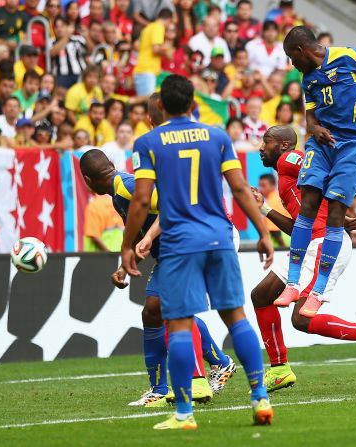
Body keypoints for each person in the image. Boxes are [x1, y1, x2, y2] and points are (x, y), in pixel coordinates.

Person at [120, 75, 274, 429]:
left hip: (178, 243)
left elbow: (142, 199)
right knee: (235, 318)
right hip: (219, 238)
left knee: (178, 325)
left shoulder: (149, 142)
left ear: (159, 107)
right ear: (193, 104)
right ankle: (260, 396)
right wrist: (263, 232)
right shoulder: (217, 137)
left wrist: (129, 244)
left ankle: (185, 413)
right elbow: (238, 188)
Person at [252, 125, 356, 391]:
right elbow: (297, 229)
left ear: (283, 145)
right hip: (308, 243)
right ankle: (280, 369)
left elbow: (316, 166)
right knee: (261, 295)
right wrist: (264, 208)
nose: (261, 147)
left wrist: (339, 212)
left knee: (301, 320)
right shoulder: (290, 183)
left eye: (266, 141)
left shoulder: (288, 159)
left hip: (324, 244)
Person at [276, 26, 356, 309]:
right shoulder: (307, 77)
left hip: (353, 146)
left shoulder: (350, 57)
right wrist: (315, 129)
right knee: (308, 203)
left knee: (336, 213)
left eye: (291, 56)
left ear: (301, 51)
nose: (291, 64)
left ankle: (318, 292)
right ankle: (292, 283)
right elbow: (310, 119)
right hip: (321, 145)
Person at [133, 8, 174, 96]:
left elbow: (137, 46)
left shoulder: (148, 27)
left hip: (143, 69)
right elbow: (156, 49)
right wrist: (167, 52)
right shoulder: (158, 27)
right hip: (147, 70)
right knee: (147, 103)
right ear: (169, 20)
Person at [257, 173, 288, 248]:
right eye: (260, 186)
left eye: (264, 186)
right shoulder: (278, 197)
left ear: (273, 185)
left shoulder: (272, 201)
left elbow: (274, 231)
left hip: (281, 243)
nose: (261, 189)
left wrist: (283, 248)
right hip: (288, 238)